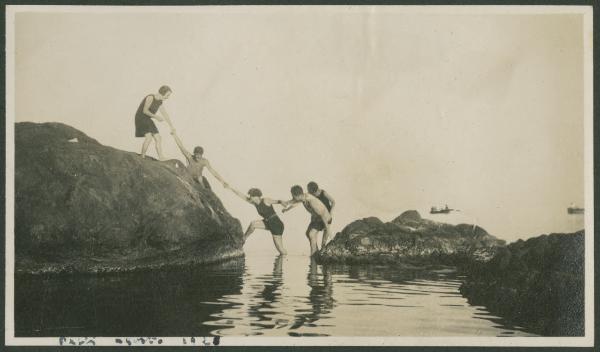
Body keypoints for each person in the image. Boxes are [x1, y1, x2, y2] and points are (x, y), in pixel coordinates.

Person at [226, 186, 288, 255]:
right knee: (253, 224)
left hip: (276, 224)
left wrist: (282, 202)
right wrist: (231, 188)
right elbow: (241, 195)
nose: (250, 198)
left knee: (280, 249)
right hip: (268, 222)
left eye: (251, 196)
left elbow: (277, 201)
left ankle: (285, 260)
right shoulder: (254, 203)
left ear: (256, 196)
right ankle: (243, 239)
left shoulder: (265, 200)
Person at [283, 185, 332, 255]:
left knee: (311, 234)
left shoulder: (311, 201)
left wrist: (328, 229)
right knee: (308, 233)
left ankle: (313, 255)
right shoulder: (303, 197)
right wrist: (287, 208)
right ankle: (316, 251)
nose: (292, 198)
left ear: (297, 195)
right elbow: (294, 202)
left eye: (293, 196)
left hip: (325, 218)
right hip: (316, 218)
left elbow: (323, 213)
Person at [135, 85, 173, 160]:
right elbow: (145, 111)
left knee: (158, 138)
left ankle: (161, 157)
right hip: (141, 118)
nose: (167, 97)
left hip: (148, 119)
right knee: (149, 137)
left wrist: (171, 126)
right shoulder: (151, 97)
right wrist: (156, 117)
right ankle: (142, 157)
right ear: (162, 93)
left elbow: (165, 114)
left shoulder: (160, 102)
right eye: (167, 95)